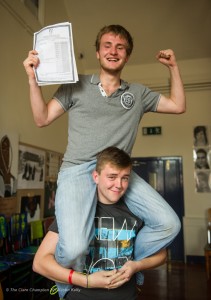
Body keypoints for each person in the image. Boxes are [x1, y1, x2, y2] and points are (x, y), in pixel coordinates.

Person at [23, 24, 185, 298]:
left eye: (120, 47)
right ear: (98, 53)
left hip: (117, 171)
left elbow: (178, 106)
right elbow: (42, 119)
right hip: (77, 169)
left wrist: (173, 67)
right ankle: (66, 288)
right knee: (73, 248)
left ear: (127, 56)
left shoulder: (138, 94)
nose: (113, 51)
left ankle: (126, 265)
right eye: (107, 45)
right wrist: (31, 79)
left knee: (170, 223)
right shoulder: (75, 85)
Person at [33, 147, 167, 299]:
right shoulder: (76, 213)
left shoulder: (136, 212)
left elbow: (162, 255)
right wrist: (87, 281)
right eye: (112, 177)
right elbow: (40, 263)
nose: (119, 184)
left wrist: (137, 266)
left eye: (125, 178)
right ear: (95, 176)